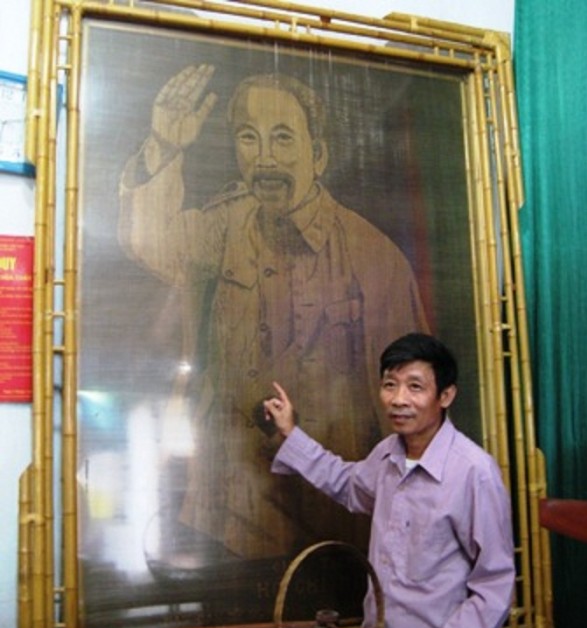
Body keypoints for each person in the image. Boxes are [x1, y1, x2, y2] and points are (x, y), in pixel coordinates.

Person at [118, 65, 429, 559]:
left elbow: (410, 412)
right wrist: (165, 147)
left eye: (282, 138)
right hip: (228, 513)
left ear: (318, 154)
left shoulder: (374, 258)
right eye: (249, 137)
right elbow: (149, 242)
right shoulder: (223, 226)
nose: (264, 158)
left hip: (327, 518)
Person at [263, 333, 515, 628]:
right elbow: (348, 484)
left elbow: (495, 586)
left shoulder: (475, 472)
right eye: (390, 385)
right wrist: (290, 431)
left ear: (445, 395)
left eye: (415, 387)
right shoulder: (387, 455)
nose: (398, 399)